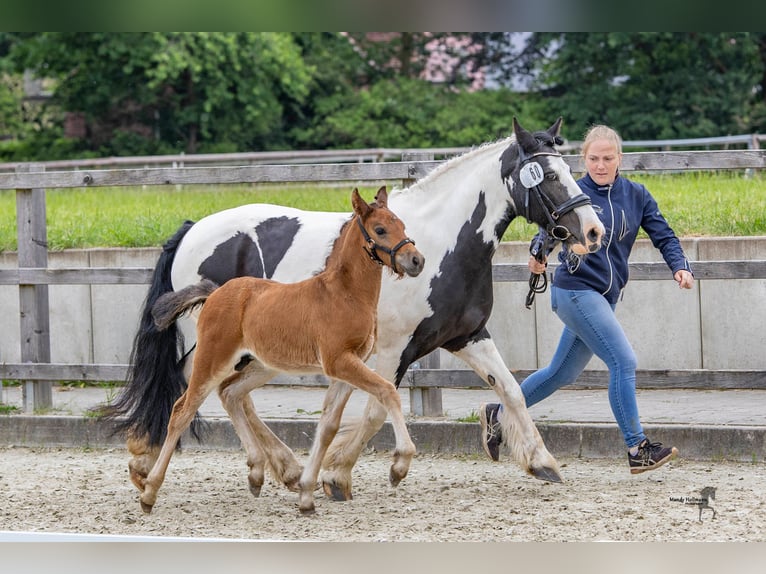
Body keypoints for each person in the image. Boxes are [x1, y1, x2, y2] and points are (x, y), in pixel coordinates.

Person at [480, 124, 695, 474]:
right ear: (584, 159)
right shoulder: (573, 191)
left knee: (558, 374)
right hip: (575, 290)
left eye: (607, 158)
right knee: (623, 362)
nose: (600, 164)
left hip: (604, 298)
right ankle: (637, 447)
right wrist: (538, 253)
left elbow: (664, 234)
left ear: (619, 159)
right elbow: (549, 230)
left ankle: (498, 415)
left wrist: (679, 267)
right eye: (593, 158)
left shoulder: (637, 195)